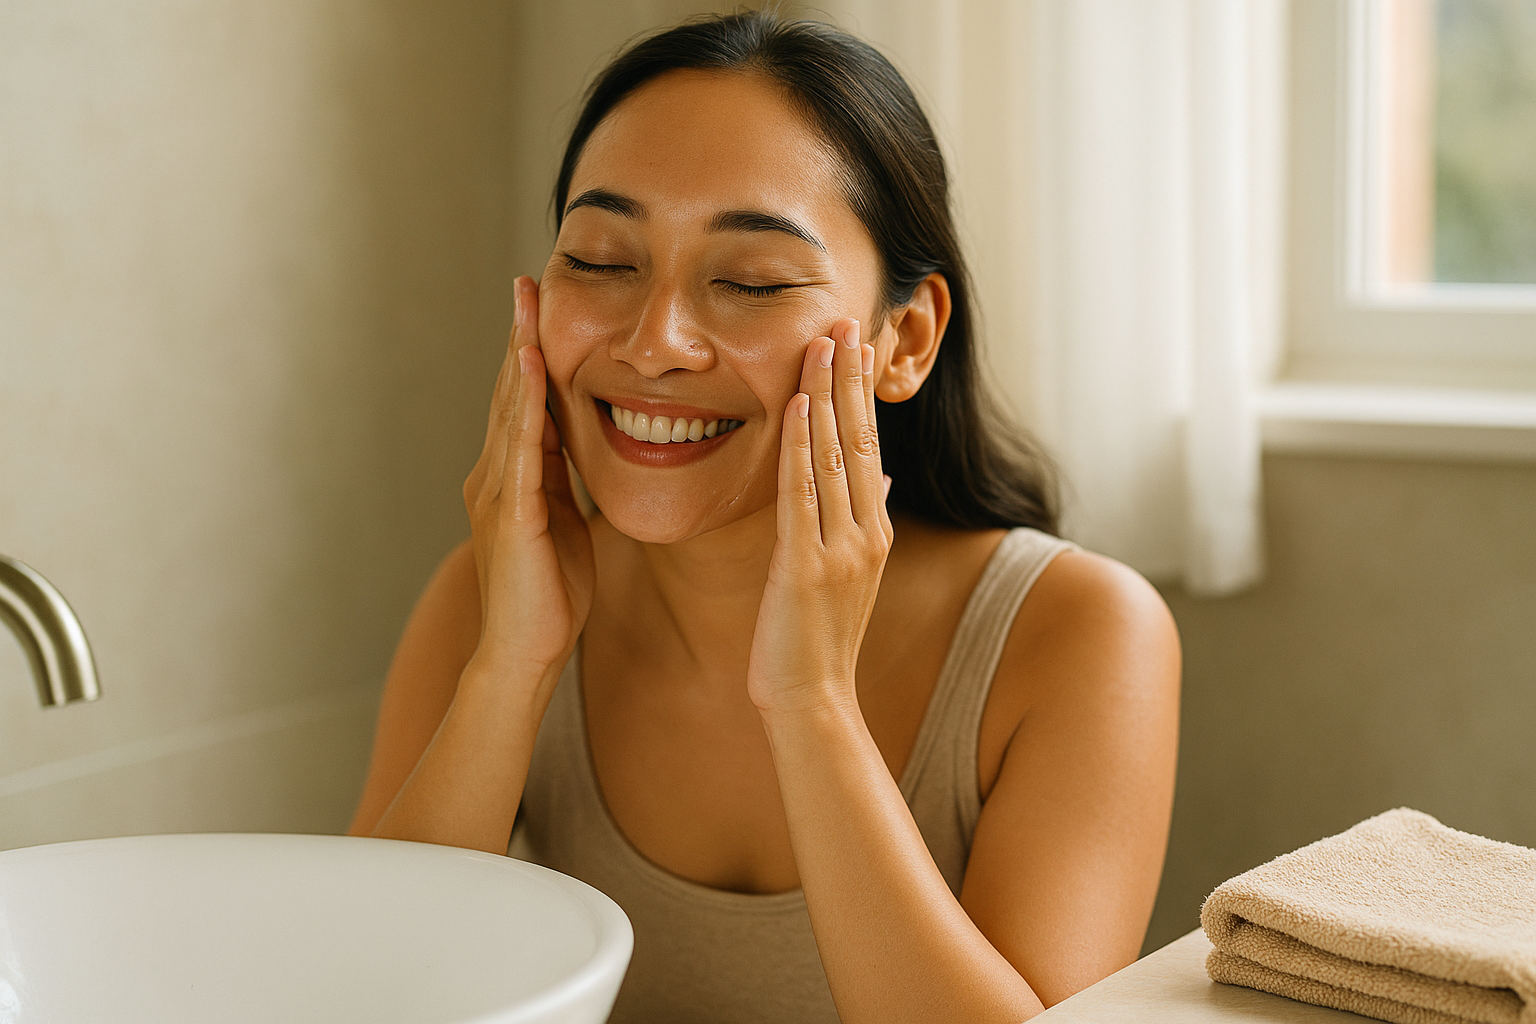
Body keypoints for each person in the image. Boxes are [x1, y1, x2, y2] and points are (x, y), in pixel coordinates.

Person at [348, 11, 1179, 1024]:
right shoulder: (486, 602)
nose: (656, 342)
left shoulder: (1079, 632)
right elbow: (361, 1000)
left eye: (750, 279)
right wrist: (510, 666)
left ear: (903, 340)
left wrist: (811, 699)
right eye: (603, 260)